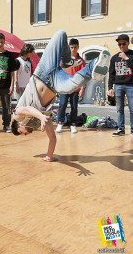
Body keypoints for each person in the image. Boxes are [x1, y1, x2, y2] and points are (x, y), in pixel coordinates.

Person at [11, 30, 111, 162]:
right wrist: (49, 156)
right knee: (72, 86)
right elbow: (52, 138)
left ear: (18, 124)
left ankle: (67, 61)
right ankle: (94, 63)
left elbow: (25, 109)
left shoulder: (18, 116)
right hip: (54, 84)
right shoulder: (43, 121)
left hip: (42, 72)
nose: (26, 134)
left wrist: (41, 116)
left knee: (61, 34)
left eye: (22, 133)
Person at [56, 38, 85, 134]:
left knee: (74, 107)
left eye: (75, 47)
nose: (73, 49)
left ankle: (73, 125)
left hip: (75, 88)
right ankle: (60, 123)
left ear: (78, 47)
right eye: (71, 47)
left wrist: (82, 89)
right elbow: (59, 72)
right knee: (62, 104)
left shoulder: (81, 61)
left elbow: (84, 76)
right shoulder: (64, 59)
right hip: (64, 86)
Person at [108, 34, 133, 136]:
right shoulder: (114, 58)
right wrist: (110, 87)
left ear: (128, 43)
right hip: (118, 85)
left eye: (123, 44)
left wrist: (126, 58)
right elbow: (111, 74)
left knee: (132, 109)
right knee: (119, 109)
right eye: (119, 44)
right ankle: (121, 129)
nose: (121, 46)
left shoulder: (132, 55)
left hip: (131, 85)